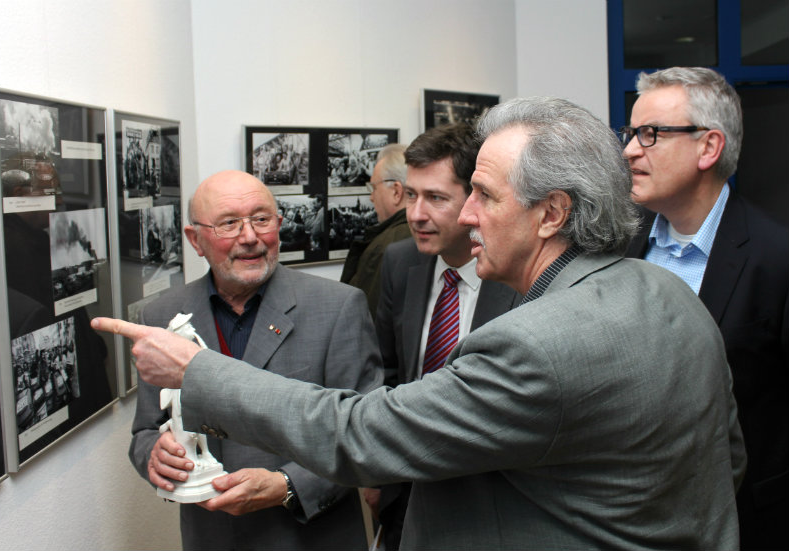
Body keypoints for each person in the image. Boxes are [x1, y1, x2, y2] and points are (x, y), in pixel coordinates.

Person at [97, 97, 745, 550]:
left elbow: (359, 433)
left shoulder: (535, 344)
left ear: (551, 213)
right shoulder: (670, 294)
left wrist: (195, 369)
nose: (465, 218)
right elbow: (726, 457)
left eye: (484, 197)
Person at [128, 170, 383, 551]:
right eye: (229, 223)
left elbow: (369, 434)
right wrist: (156, 456)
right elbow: (146, 430)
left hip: (310, 535)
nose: (249, 237)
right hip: (211, 537)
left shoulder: (338, 307)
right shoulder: (162, 317)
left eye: (261, 219)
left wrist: (287, 486)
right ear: (195, 240)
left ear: (279, 225)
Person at [621, 66, 788, 550]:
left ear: (709, 147)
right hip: (631, 520)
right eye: (631, 133)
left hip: (744, 522)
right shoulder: (619, 249)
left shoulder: (775, 259)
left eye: (651, 134)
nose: (630, 150)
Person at [369, 124, 520, 549]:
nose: (416, 214)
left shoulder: (518, 276)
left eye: (435, 198)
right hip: (407, 492)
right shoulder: (401, 263)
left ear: (475, 199)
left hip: (492, 501)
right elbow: (388, 370)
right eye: (412, 195)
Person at [340, 143, 411, 317]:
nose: (371, 197)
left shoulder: (384, 247)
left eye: (373, 188)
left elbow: (365, 318)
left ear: (396, 191)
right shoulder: (425, 236)